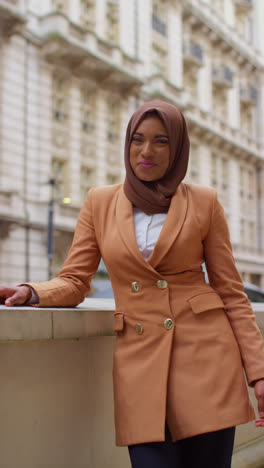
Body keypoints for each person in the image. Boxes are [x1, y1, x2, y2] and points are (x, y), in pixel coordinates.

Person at [1, 100, 264, 468]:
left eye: (161, 141)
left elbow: (232, 294)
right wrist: (32, 292)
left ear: (178, 149)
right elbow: (76, 280)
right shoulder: (100, 202)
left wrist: (259, 373)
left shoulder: (205, 203)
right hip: (142, 367)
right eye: (137, 139)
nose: (146, 151)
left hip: (208, 363)